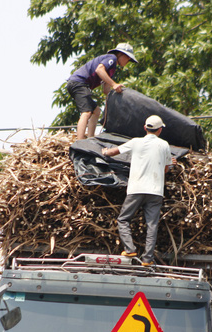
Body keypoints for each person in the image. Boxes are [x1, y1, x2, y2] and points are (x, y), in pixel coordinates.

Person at [101, 115, 176, 266]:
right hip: (155, 191)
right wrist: (171, 163)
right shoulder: (164, 145)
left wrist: (104, 152)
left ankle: (130, 249)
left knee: (123, 219)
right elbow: (166, 169)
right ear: (160, 130)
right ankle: (147, 259)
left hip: (136, 189)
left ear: (145, 128)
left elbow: (114, 152)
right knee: (152, 225)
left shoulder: (136, 142)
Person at [67, 43, 138, 140]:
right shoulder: (112, 58)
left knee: (96, 111)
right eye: (128, 58)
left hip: (80, 85)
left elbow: (106, 90)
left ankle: (90, 138)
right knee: (87, 112)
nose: (128, 61)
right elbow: (99, 70)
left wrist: (116, 97)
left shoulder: (112, 69)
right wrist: (114, 84)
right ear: (121, 54)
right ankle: (79, 141)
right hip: (79, 83)